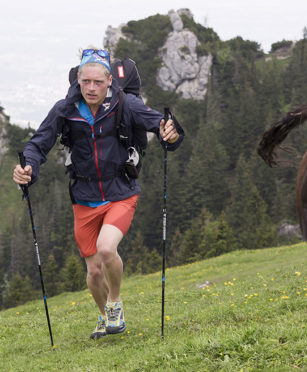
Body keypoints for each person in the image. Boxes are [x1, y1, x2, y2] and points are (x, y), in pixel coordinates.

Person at [13, 49, 184, 339]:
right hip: (83, 198)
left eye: (98, 82)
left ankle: (115, 302)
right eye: (86, 82)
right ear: (77, 80)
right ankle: (106, 317)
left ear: (109, 82)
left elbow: (161, 124)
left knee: (106, 248)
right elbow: (37, 145)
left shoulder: (125, 104)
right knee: (93, 272)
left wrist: (171, 132)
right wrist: (27, 168)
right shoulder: (64, 109)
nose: (91, 88)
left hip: (121, 192)